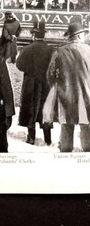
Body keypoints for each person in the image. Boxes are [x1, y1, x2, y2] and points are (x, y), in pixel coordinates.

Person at [43, 16, 90, 152]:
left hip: (66, 96)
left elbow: (50, 75)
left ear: (70, 37)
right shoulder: (89, 50)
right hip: (87, 96)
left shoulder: (59, 52)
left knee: (67, 128)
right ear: (80, 36)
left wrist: (59, 87)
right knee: (86, 126)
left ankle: (65, 156)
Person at [16, 20, 55, 146]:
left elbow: (19, 65)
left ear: (33, 34)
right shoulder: (51, 50)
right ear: (44, 35)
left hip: (30, 83)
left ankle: (31, 137)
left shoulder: (27, 49)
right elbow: (55, 67)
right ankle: (48, 139)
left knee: (31, 109)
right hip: (46, 84)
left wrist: (30, 70)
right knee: (45, 109)